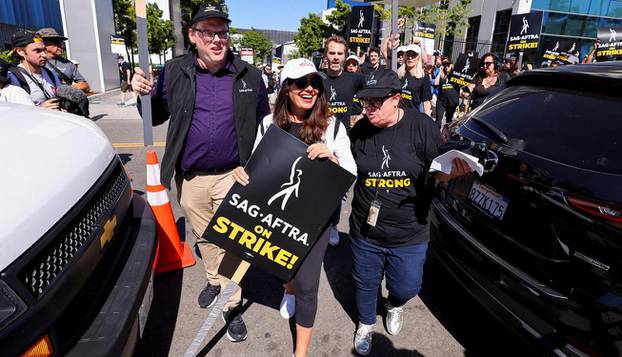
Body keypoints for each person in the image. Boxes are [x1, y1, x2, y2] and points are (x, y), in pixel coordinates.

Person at [131, 2, 270, 342]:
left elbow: (265, 123)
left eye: (222, 32)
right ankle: (213, 278)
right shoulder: (175, 71)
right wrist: (141, 95)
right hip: (190, 177)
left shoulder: (249, 75)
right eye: (208, 32)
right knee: (206, 238)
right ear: (193, 36)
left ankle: (231, 304)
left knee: (233, 242)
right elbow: (157, 116)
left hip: (232, 175)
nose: (217, 39)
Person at [233, 58, 356, 357]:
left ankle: (300, 352)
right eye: (301, 83)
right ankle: (286, 287)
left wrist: (333, 159)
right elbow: (258, 167)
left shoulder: (332, 125)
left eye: (315, 83)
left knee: (307, 285)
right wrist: (243, 173)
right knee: (280, 266)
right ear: (287, 88)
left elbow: (350, 172)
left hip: (315, 219)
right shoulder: (268, 124)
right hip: (278, 215)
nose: (310, 89)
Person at [348, 70, 471, 355]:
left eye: (375, 103)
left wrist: (451, 174)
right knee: (364, 283)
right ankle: (365, 323)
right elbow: (345, 167)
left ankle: (395, 304)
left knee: (407, 285)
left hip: (409, 231)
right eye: (364, 102)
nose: (367, 109)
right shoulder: (360, 131)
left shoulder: (421, 126)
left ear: (396, 99)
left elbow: (438, 171)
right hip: (365, 229)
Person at [321, 35, 365, 246]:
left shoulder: (354, 78)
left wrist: (364, 113)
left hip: (342, 139)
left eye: (340, 53)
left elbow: (374, 88)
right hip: (318, 137)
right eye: (332, 53)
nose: (336, 57)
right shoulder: (317, 79)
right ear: (325, 55)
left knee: (338, 187)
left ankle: (332, 225)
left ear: (345, 56)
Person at [7, 30, 61, 109]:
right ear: (20, 51)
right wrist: (40, 109)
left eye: (44, 50)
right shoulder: (14, 77)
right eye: (37, 51)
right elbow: (14, 112)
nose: (44, 55)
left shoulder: (50, 73)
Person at [38, 27, 90, 93]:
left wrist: (66, 89)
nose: (61, 46)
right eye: (57, 42)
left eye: (61, 43)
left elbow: (85, 86)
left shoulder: (68, 64)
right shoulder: (34, 63)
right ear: (43, 44)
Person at [397, 44, 432, 115]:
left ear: (418, 58)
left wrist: (427, 120)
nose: (410, 57)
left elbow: (426, 101)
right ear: (405, 56)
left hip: (412, 116)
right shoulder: (398, 73)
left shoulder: (423, 76)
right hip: (397, 115)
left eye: (413, 55)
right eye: (408, 55)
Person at [434, 59, 459, 129]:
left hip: (452, 101)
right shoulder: (442, 75)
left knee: (448, 119)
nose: (446, 67)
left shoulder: (456, 75)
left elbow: (462, 85)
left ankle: (446, 135)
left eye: (448, 65)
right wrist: (440, 71)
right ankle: (435, 135)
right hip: (441, 100)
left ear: (451, 66)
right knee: (438, 119)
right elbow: (436, 83)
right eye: (445, 65)